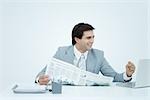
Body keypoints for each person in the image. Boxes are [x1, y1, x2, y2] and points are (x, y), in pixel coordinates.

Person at [35, 22, 135, 85]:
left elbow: (114, 77)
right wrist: (39, 79)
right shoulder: (62, 52)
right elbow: (42, 73)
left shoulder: (98, 55)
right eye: (88, 38)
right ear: (77, 39)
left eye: (93, 37)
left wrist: (127, 74)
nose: (92, 41)